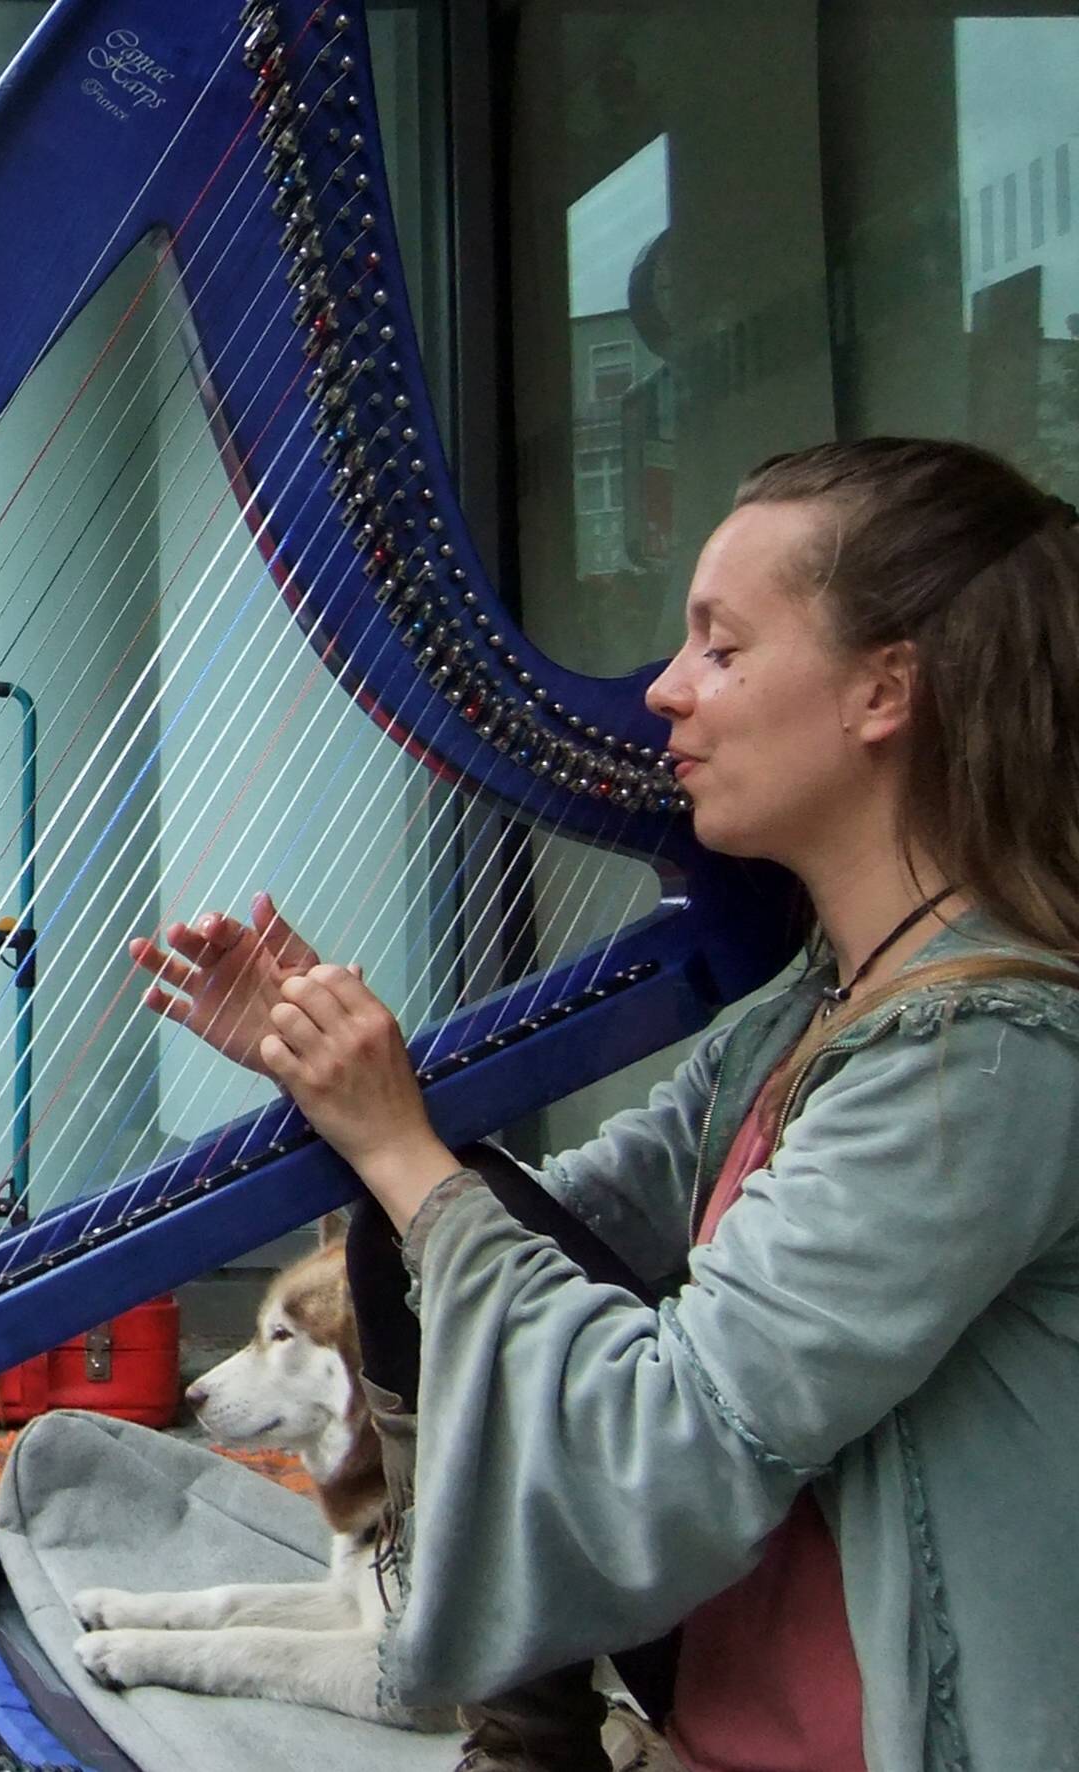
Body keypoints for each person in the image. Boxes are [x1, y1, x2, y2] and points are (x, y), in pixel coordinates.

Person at [129, 438, 1079, 1771]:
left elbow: (662, 1445)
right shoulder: (816, 1004)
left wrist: (404, 1146)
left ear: (884, 690)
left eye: (722, 649)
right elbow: (547, 1234)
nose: (668, 693)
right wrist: (335, 1075)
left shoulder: (988, 1059)